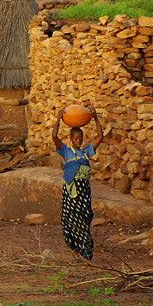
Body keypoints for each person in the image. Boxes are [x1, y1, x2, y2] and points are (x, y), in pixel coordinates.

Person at [52, 105, 103, 260]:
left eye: (80, 138)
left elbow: (100, 137)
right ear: (71, 139)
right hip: (71, 192)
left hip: (83, 192)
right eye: (75, 138)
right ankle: (77, 252)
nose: (78, 141)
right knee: (70, 219)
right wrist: (59, 119)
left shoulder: (86, 151)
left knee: (85, 217)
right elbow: (54, 137)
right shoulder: (65, 151)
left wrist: (95, 119)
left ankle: (84, 251)